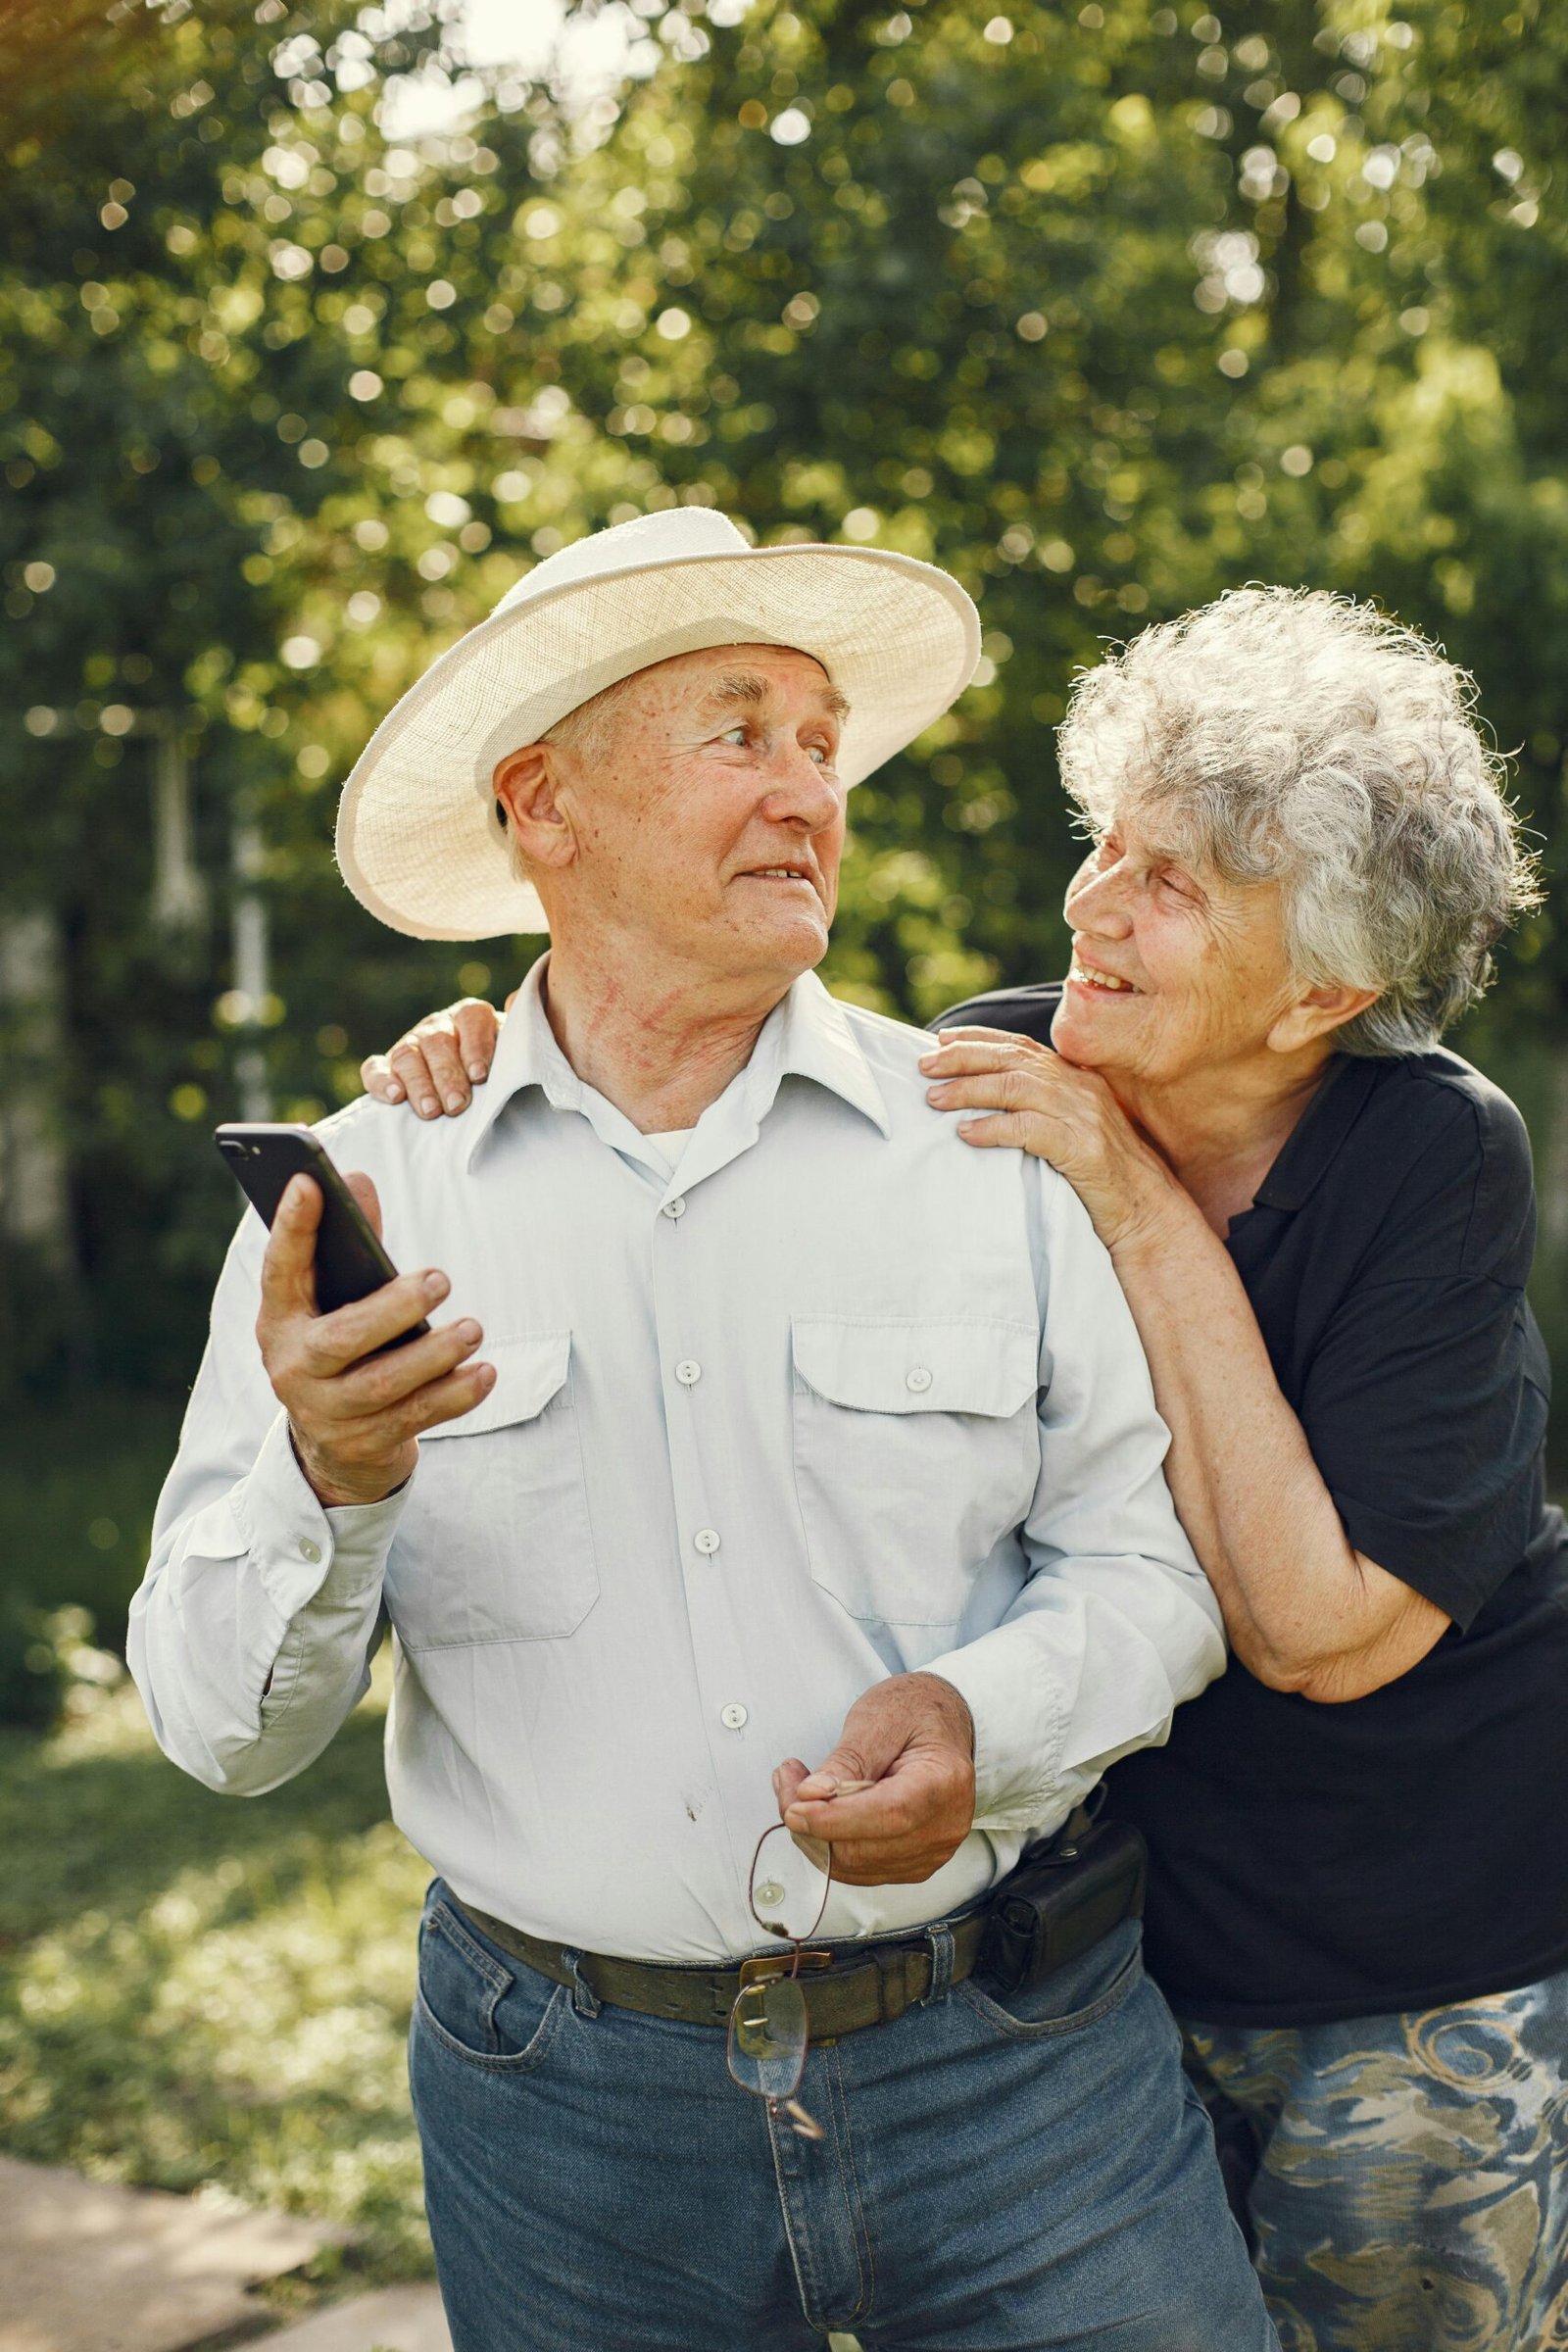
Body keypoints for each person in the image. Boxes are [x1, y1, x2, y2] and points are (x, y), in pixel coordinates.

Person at [130, 510, 1277, 2352]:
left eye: (823, 744)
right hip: (567, 2125)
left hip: (1019, 2073)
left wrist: (988, 1724)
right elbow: (216, 1733)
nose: (808, 790)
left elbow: (1150, 1570)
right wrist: (328, 1480)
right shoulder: (357, 1200)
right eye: (739, 731)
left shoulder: (994, 1142)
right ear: (544, 806)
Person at [373, 584, 1568, 2352]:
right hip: (1103, 1949)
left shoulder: (1430, 1159)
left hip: (1404, 1953)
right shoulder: (1008, 1062)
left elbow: (1325, 1634)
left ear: (1328, 986)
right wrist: (488, 1056)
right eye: (1107, 846)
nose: (1091, 904)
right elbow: (695, 1065)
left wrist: (1130, 1191)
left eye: (1172, 885)